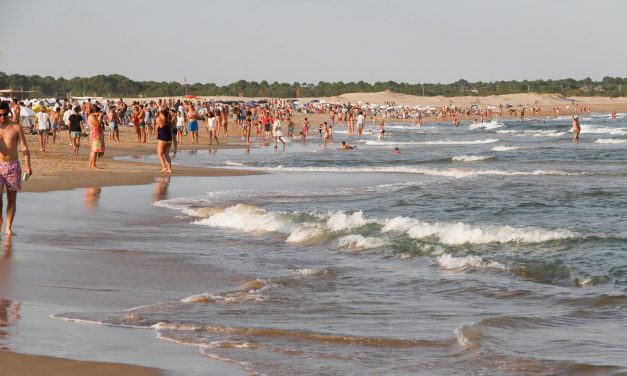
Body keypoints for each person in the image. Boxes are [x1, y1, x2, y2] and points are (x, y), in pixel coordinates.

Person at [0, 101, 32, 236]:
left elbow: (24, 147)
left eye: (5, 114)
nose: (2, 117)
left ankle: (8, 227)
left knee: (12, 198)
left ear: (9, 112)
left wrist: (28, 165)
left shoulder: (16, 127)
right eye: (0, 115)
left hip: (13, 165)